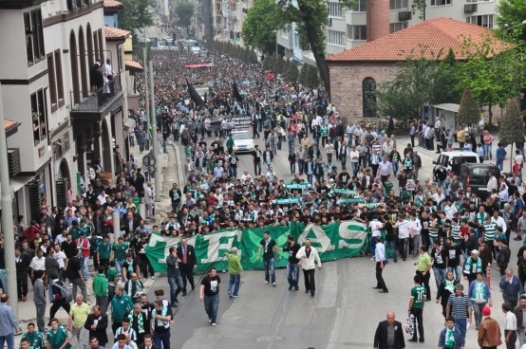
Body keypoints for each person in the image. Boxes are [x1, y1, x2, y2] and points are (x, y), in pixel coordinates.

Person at [408, 274, 425, 343]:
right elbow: (424, 299)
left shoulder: (413, 289)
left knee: (413, 322)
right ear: (420, 281)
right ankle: (422, 337)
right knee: (420, 323)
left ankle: (414, 337)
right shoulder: (423, 288)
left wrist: (409, 308)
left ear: (414, 281)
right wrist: (422, 307)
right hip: (420, 307)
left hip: (414, 308)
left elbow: (412, 300)